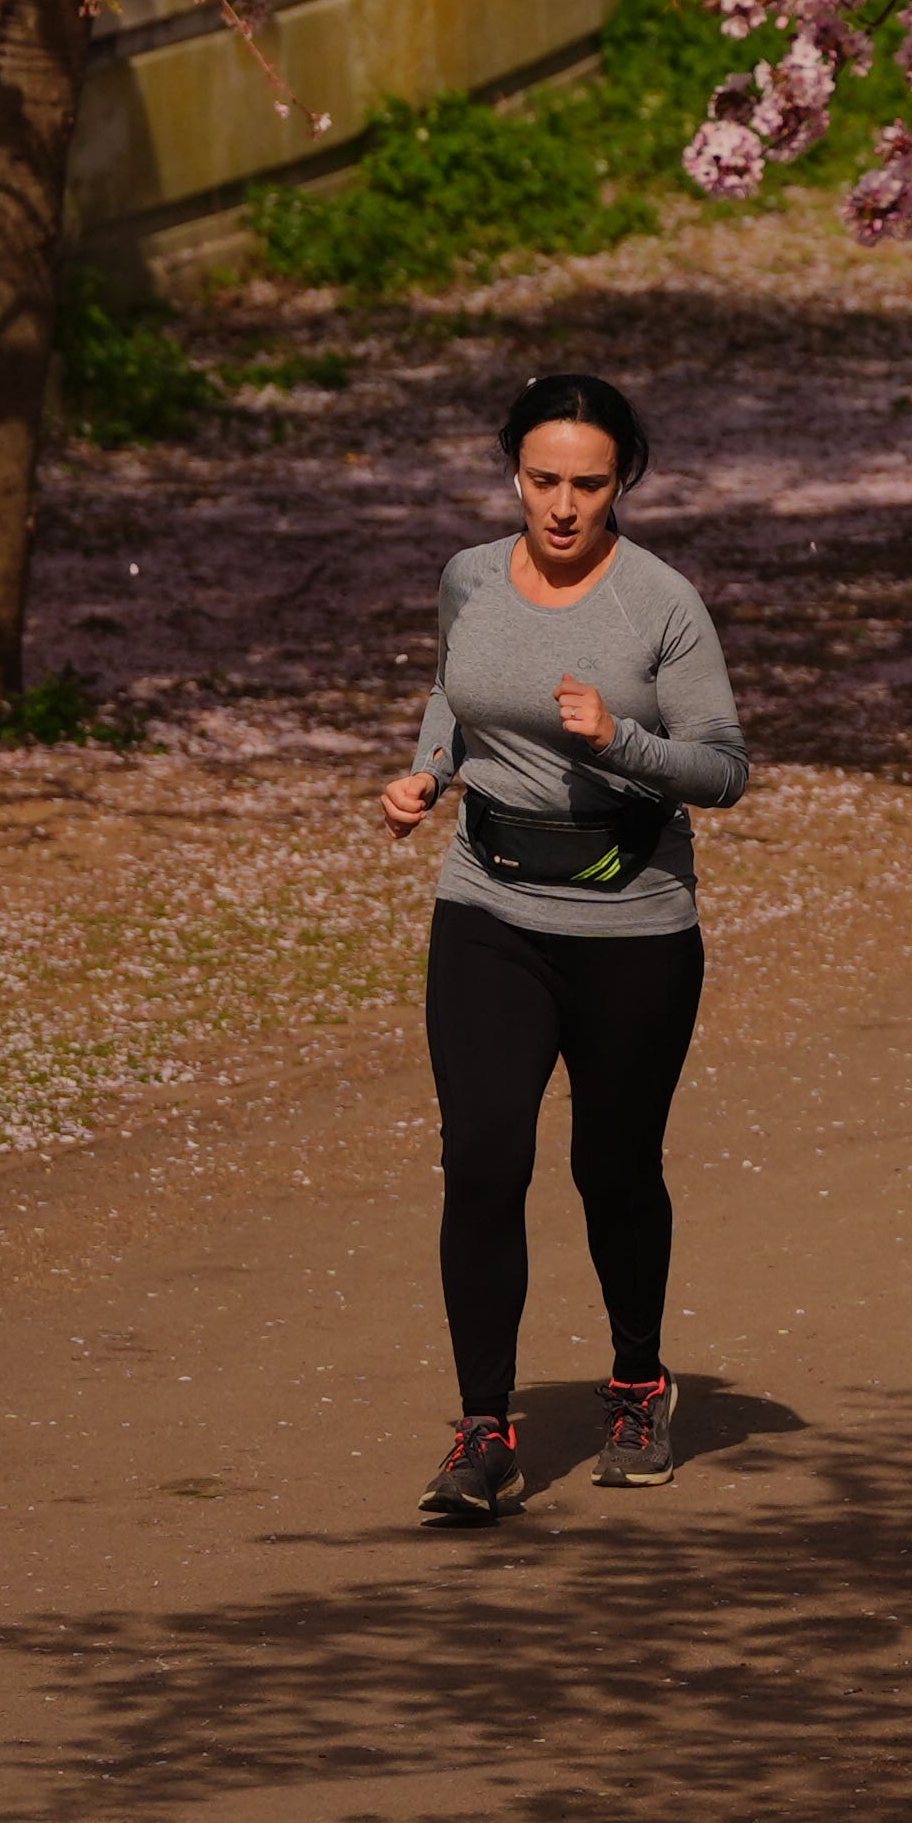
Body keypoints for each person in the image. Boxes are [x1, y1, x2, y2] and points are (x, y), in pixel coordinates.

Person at [374, 373, 748, 1521]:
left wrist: (624, 738)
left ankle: (638, 1382)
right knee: (483, 1159)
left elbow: (725, 767)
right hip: (487, 904)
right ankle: (483, 1431)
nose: (565, 505)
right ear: (514, 474)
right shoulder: (471, 575)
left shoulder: (661, 603)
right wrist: (430, 772)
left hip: (631, 920)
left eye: (590, 482)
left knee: (612, 1166)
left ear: (622, 479)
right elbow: (455, 686)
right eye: (544, 480)